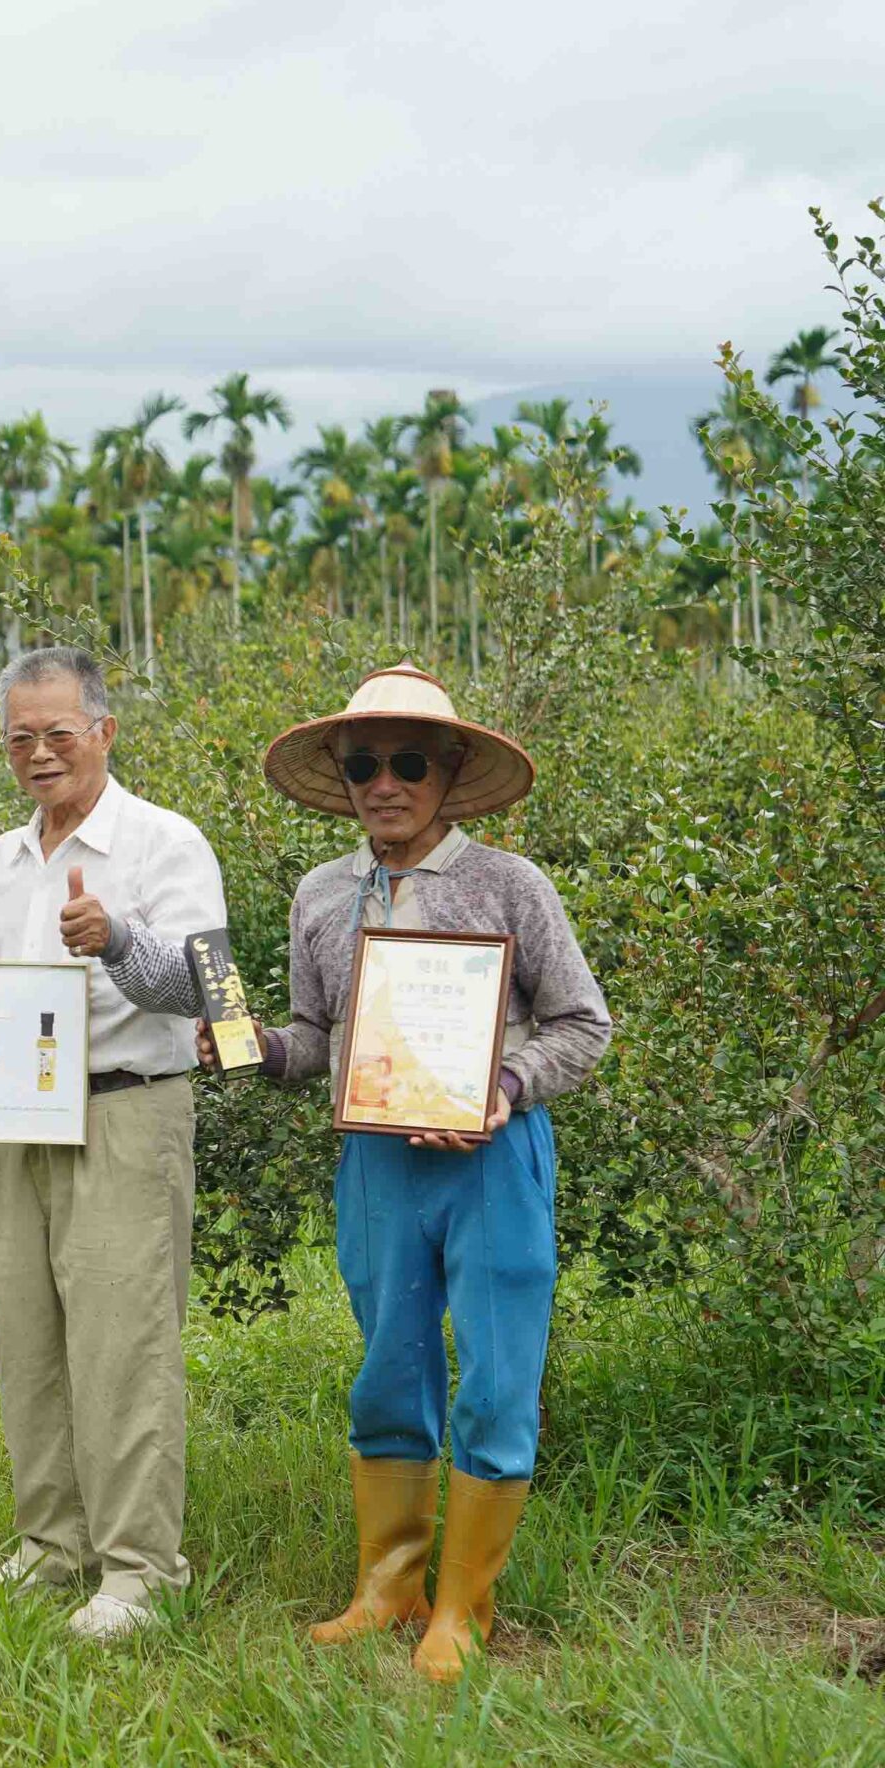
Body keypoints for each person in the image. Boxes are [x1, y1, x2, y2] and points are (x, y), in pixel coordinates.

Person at [225, 663, 611, 1681]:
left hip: (491, 1160)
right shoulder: (319, 893)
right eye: (362, 765)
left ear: (445, 773)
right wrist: (249, 1046)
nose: (381, 784)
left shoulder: (510, 886)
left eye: (404, 763)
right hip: (375, 1166)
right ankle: (386, 1586)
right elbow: (317, 1037)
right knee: (389, 1364)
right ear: (343, 778)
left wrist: (506, 1086)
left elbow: (583, 1025)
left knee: (495, 1375)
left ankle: (463, 1607)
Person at [0, 648, 227, 1641]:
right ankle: (49, 1545)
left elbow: (209, 988)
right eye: (20, 736)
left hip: (124, 1108)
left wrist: (115, 940)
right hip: (10, 1120)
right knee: (26, 1334)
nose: (39, 753)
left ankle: (142, 1569)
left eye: (58, 732)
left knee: (122, 1341)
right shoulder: (1, 858)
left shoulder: (162, 843)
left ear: (104, 732)